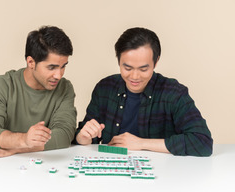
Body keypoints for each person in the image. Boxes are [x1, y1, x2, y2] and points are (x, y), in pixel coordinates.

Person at [75, 27, 213, 156]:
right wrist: (82, 137)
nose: (135, 77)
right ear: (118, 61)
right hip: (111, 169)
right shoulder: (105, 88)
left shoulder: (173, 93)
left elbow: (202, 142)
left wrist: (141, 143)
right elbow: (88, 138)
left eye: (143, 69)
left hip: (161, 173)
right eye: (127, 68)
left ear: (156, 61)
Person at [0, 26, 77, 159]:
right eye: (51, 67)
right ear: (31, 62)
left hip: (39, 164)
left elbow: (64, 135)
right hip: (0, 164)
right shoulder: (3, 85)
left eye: (63, 66)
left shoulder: (65, 88)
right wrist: (24, 140)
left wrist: (16, 149)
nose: (59, 75)